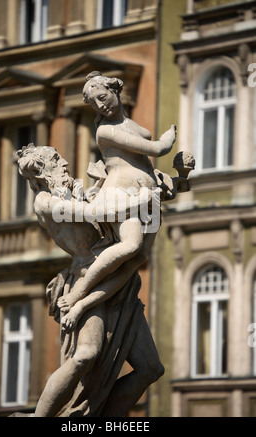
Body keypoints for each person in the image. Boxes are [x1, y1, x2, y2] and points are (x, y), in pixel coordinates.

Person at [16, 144, 164, 417]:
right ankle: (39, 417)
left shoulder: (72, 191)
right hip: (87, 277)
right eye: (56, 160)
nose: (64, 162)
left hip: (117, 277)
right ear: (42, 170)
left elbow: (101, 207)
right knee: (86, 354)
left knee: (150, 369)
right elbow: (97, 213)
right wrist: (143, 200)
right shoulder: (46, 202)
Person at [57, 71, 176, 320]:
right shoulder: (105, 131)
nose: (100, 105)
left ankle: (83, 304)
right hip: (123, 194)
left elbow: (143, 164)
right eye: (94, 103)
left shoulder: (129, 125)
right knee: (131, 245)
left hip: (149, 199)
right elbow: (156, 149)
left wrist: (171, 182)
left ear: (114, 90)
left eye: (102, 97)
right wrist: (168, 138)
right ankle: (78, 291)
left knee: (139, 257)